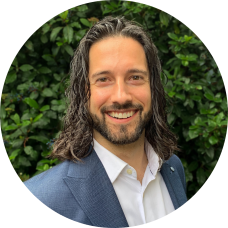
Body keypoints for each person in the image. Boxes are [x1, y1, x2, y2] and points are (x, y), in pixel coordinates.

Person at [23, 15, 194, 227]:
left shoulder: (173, 169)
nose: (121, 96)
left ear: (153, 87)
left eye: (135, 77)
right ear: (84, 93)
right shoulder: (39, 201)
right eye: (103, 79)